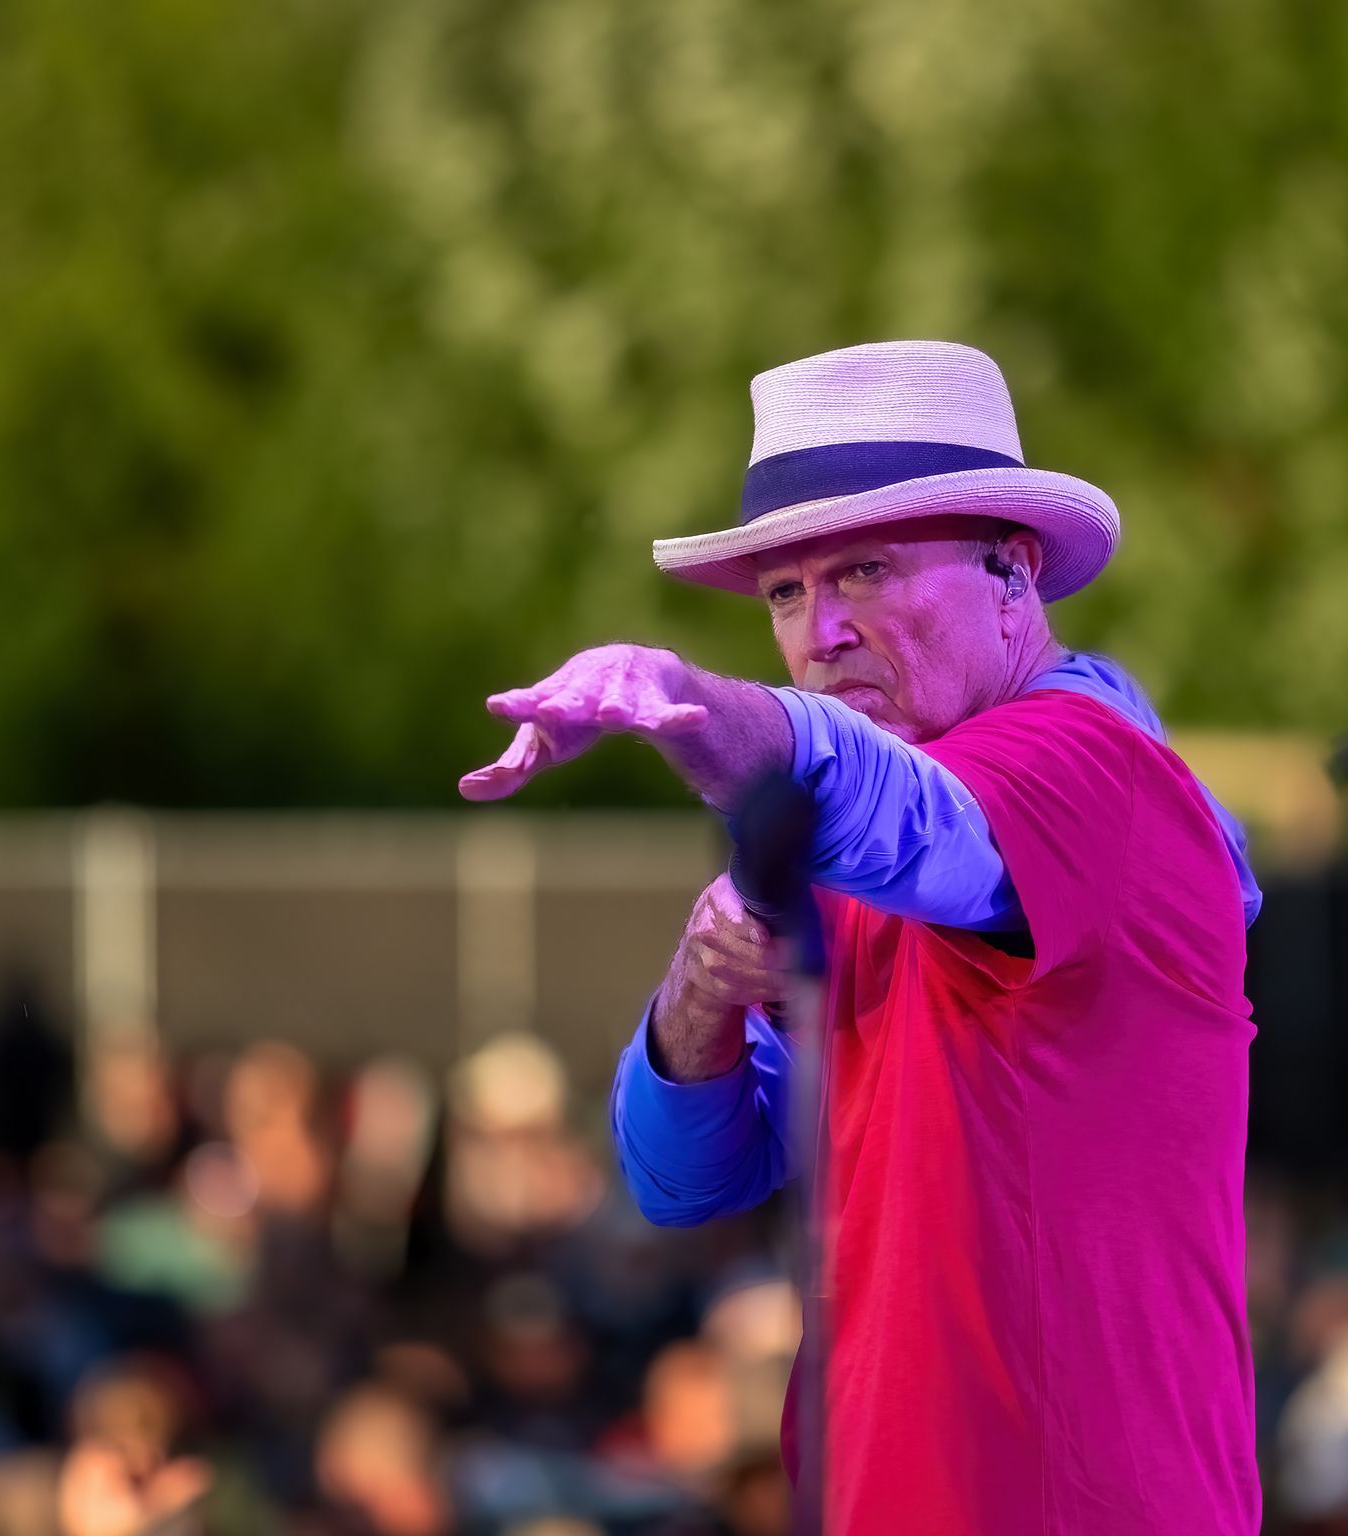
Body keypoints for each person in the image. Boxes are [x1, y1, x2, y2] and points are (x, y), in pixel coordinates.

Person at [461, 340, 1263, 1534]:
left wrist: (686, 699)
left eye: (866, 571)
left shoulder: (1084, 764)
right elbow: (683, 1181)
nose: (820, 630)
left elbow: (880, 802)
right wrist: (699, 996)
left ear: (1014, 570)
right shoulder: (869, 840)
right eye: (786, 592)